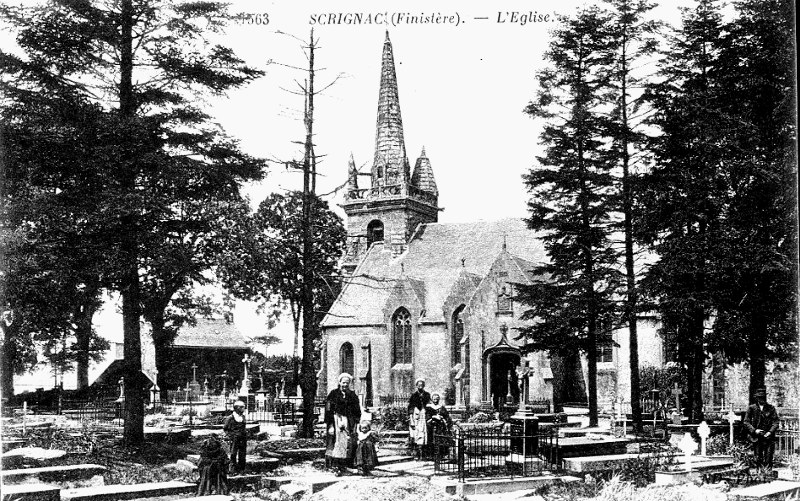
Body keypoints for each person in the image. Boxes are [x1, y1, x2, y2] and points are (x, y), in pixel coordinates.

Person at [325, 372, 361, 476]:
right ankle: (335, 466)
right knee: (336, 443)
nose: (345, 385)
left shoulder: (352, 395)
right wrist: (330, 425)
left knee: (349, 443)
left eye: (347, 383)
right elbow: (328, 409)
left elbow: (357, 410)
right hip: (336, 421)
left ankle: (347, 466)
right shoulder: (333, 394)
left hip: (349, 422)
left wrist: (356, 423)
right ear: (339, 382)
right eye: (343, 382)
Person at [743, 388, 779, 471]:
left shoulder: (771, 408)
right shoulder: (752, 408)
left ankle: (768, 474)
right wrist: (754, 430)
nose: (761, 399)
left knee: (768, 457)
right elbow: (746, 422)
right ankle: (758, 473)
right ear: (757, 398)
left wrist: (770, 432)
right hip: (757, 437)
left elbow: (776, 422)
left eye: (763, 397)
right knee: (758, 457)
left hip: (768, 437)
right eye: (759, 397)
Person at [407, 378, 431, 460]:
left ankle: (424, 455)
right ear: (416, 385)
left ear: (424, 386)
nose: (420, 386)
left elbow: (429, 405)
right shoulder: (414, 396)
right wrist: (411, 420)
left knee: (424, 435)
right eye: (419, 385)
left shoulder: (427, 395)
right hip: (416, 416)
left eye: (422, 385)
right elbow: (410, 407)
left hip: (423, 416)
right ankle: (416, 454)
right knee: (416, 435)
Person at [223, 400, 248, 474]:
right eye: (242, 407)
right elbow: (225, 428)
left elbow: (244, 427)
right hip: (234, 438)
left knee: (242, 454)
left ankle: (242, 469)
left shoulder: (243, 417)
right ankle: (233, 470)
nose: (244, 409)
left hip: (243, 438)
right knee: (233, 453)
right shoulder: (230, 418)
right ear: (237, 408)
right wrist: (230, 436)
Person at [425, 393, 452, 460]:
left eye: (437, 398)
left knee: (440, 439)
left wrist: (442, 417)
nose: (436, 400)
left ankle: (440, 455)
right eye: (434, 398)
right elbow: (427, 417)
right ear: (432, 399)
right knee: (431, 440)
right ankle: (431, 456)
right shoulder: (429, 407)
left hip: (440, 426)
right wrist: (433, 417)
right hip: (431, 426)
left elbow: (447, 416)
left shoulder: (441, 407)